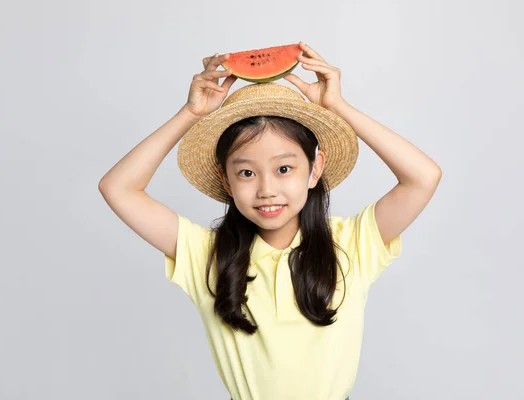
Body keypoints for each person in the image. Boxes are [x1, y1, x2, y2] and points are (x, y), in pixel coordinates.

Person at [99, 41, 442, 400]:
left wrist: (338, 107)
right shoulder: (206, 255)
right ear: (225, 179)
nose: (266, 189)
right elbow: (118, 188)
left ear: (315, 170)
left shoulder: (352, 244)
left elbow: (423, 177)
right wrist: (190, 113)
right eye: (246, 172)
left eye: (283, 169)